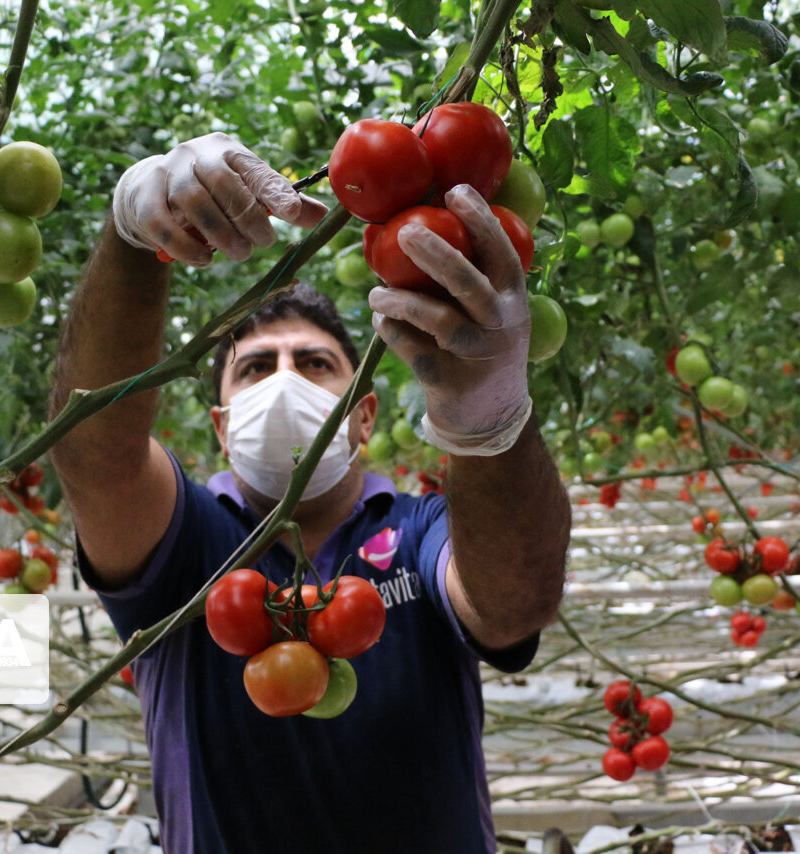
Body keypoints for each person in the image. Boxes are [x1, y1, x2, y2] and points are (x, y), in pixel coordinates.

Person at [48, 131, 571, 854]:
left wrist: (492, 427)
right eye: (256, 368)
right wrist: (139, 236)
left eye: (316, 364)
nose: (286, 381)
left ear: (363, 415)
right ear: (222, 428)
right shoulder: (188, 542)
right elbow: (92, 455)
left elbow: (513, 603)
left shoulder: (421, 532)